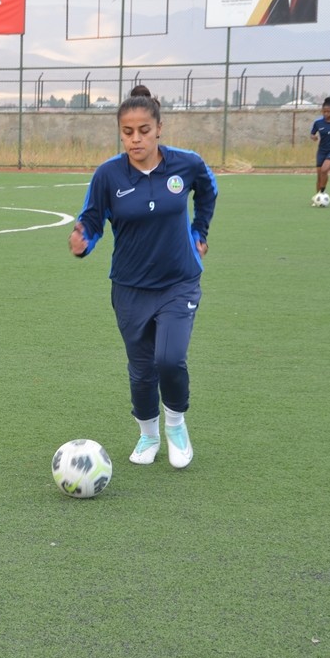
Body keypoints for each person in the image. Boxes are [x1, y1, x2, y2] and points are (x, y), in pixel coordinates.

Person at [69, 87, 218, 469]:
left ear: (159, 129)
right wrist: (83, 239)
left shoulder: (186, 164)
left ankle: (176, 427)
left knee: (170, 359)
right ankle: (148, 435)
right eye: (128, 132)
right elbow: (92, 218)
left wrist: (200, 231)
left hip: (179, 281)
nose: (136, 139)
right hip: (130, 287)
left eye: (144, 130)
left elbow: (208, 189)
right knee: (141, 370)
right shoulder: (108, 174)